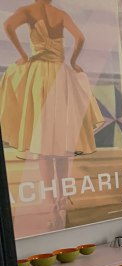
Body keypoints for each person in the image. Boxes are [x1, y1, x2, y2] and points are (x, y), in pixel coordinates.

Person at [0, 0, 104, 229]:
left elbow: (7, 26)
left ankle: (51, 204)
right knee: (63, 144)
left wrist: (23, 55)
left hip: (39, 75)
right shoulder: (60, 13)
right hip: (61, 73)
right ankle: (62, 199)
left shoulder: (28, 11)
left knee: (44, 145)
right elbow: (80, 38)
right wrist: (73, 61)